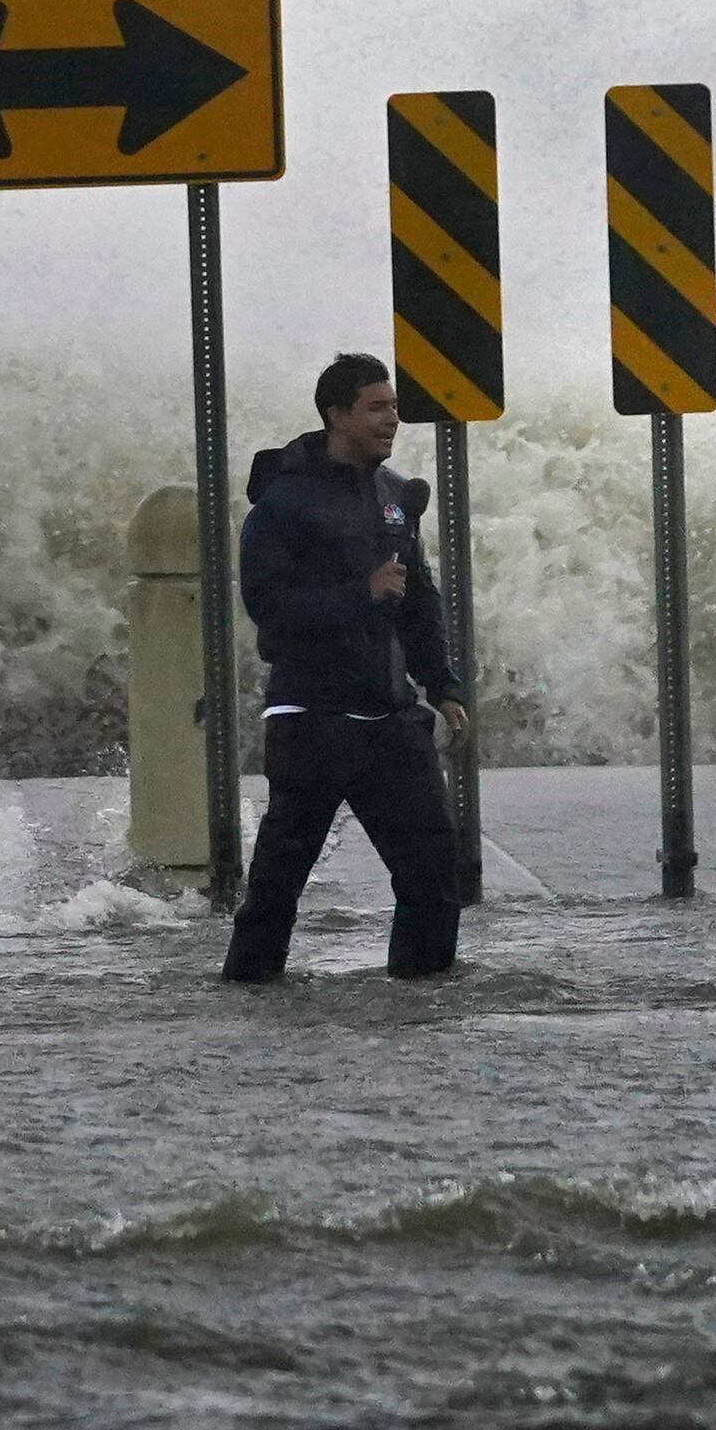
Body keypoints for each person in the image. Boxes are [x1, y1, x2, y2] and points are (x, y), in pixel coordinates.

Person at [220, 352, 470, 982]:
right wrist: (360, 592)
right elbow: (266, 605)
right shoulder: (284, 501)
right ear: (336, 415)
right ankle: (249, 1002)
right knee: (278, 885)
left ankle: (421, 1003)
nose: (392, 420)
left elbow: (418, 603)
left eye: (394, 407)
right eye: (376, 408)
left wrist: (441, 685)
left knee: (436, 870)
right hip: (311, 718)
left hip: (389, 717)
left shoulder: (394, 498)